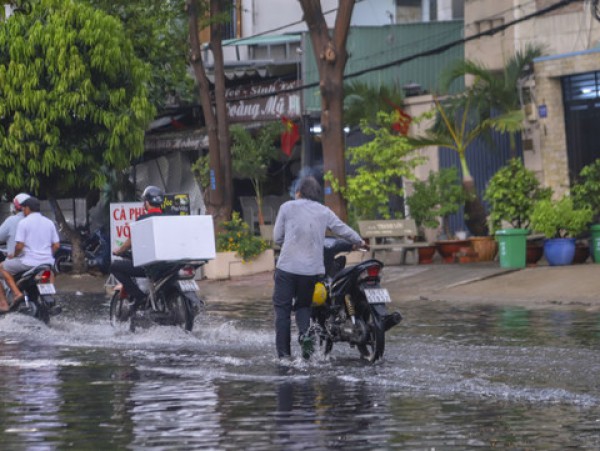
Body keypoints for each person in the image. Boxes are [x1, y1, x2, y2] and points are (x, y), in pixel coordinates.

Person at [272, 175, 365, 360]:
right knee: (303, 307)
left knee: (282, 311)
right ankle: (306, 342)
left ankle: (284, 357)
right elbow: (341, 228)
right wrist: (359, 241)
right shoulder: (324, 211)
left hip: (287, 268)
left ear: (298, 193)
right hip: (311, 271)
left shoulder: (287, 207)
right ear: (316, 195)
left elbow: (277, 238)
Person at [0, 196, 60, 312]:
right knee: (50, 273)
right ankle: (50, 297)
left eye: (24, 209)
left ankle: (14, 295)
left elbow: (19, 246)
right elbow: (56, 245)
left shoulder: (24, 222)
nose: (23, 211)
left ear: (27, 208)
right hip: (47, 263)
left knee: (2, 268)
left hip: (28, 262)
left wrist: (14, 255)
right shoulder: (49, 222)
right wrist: (47, 254)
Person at [110, 185, 165, 308]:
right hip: (168, 266)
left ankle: (139, 296)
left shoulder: (142, 220)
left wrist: (119, 251)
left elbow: (130, 241)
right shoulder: (168, 218)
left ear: (146, 202)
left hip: (150, 267)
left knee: (114, 266)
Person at [0, 193, 31, 259]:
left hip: (18, 261)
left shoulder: (12, 220)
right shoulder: (40, 220)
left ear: (15, 206)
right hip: (40, 261)